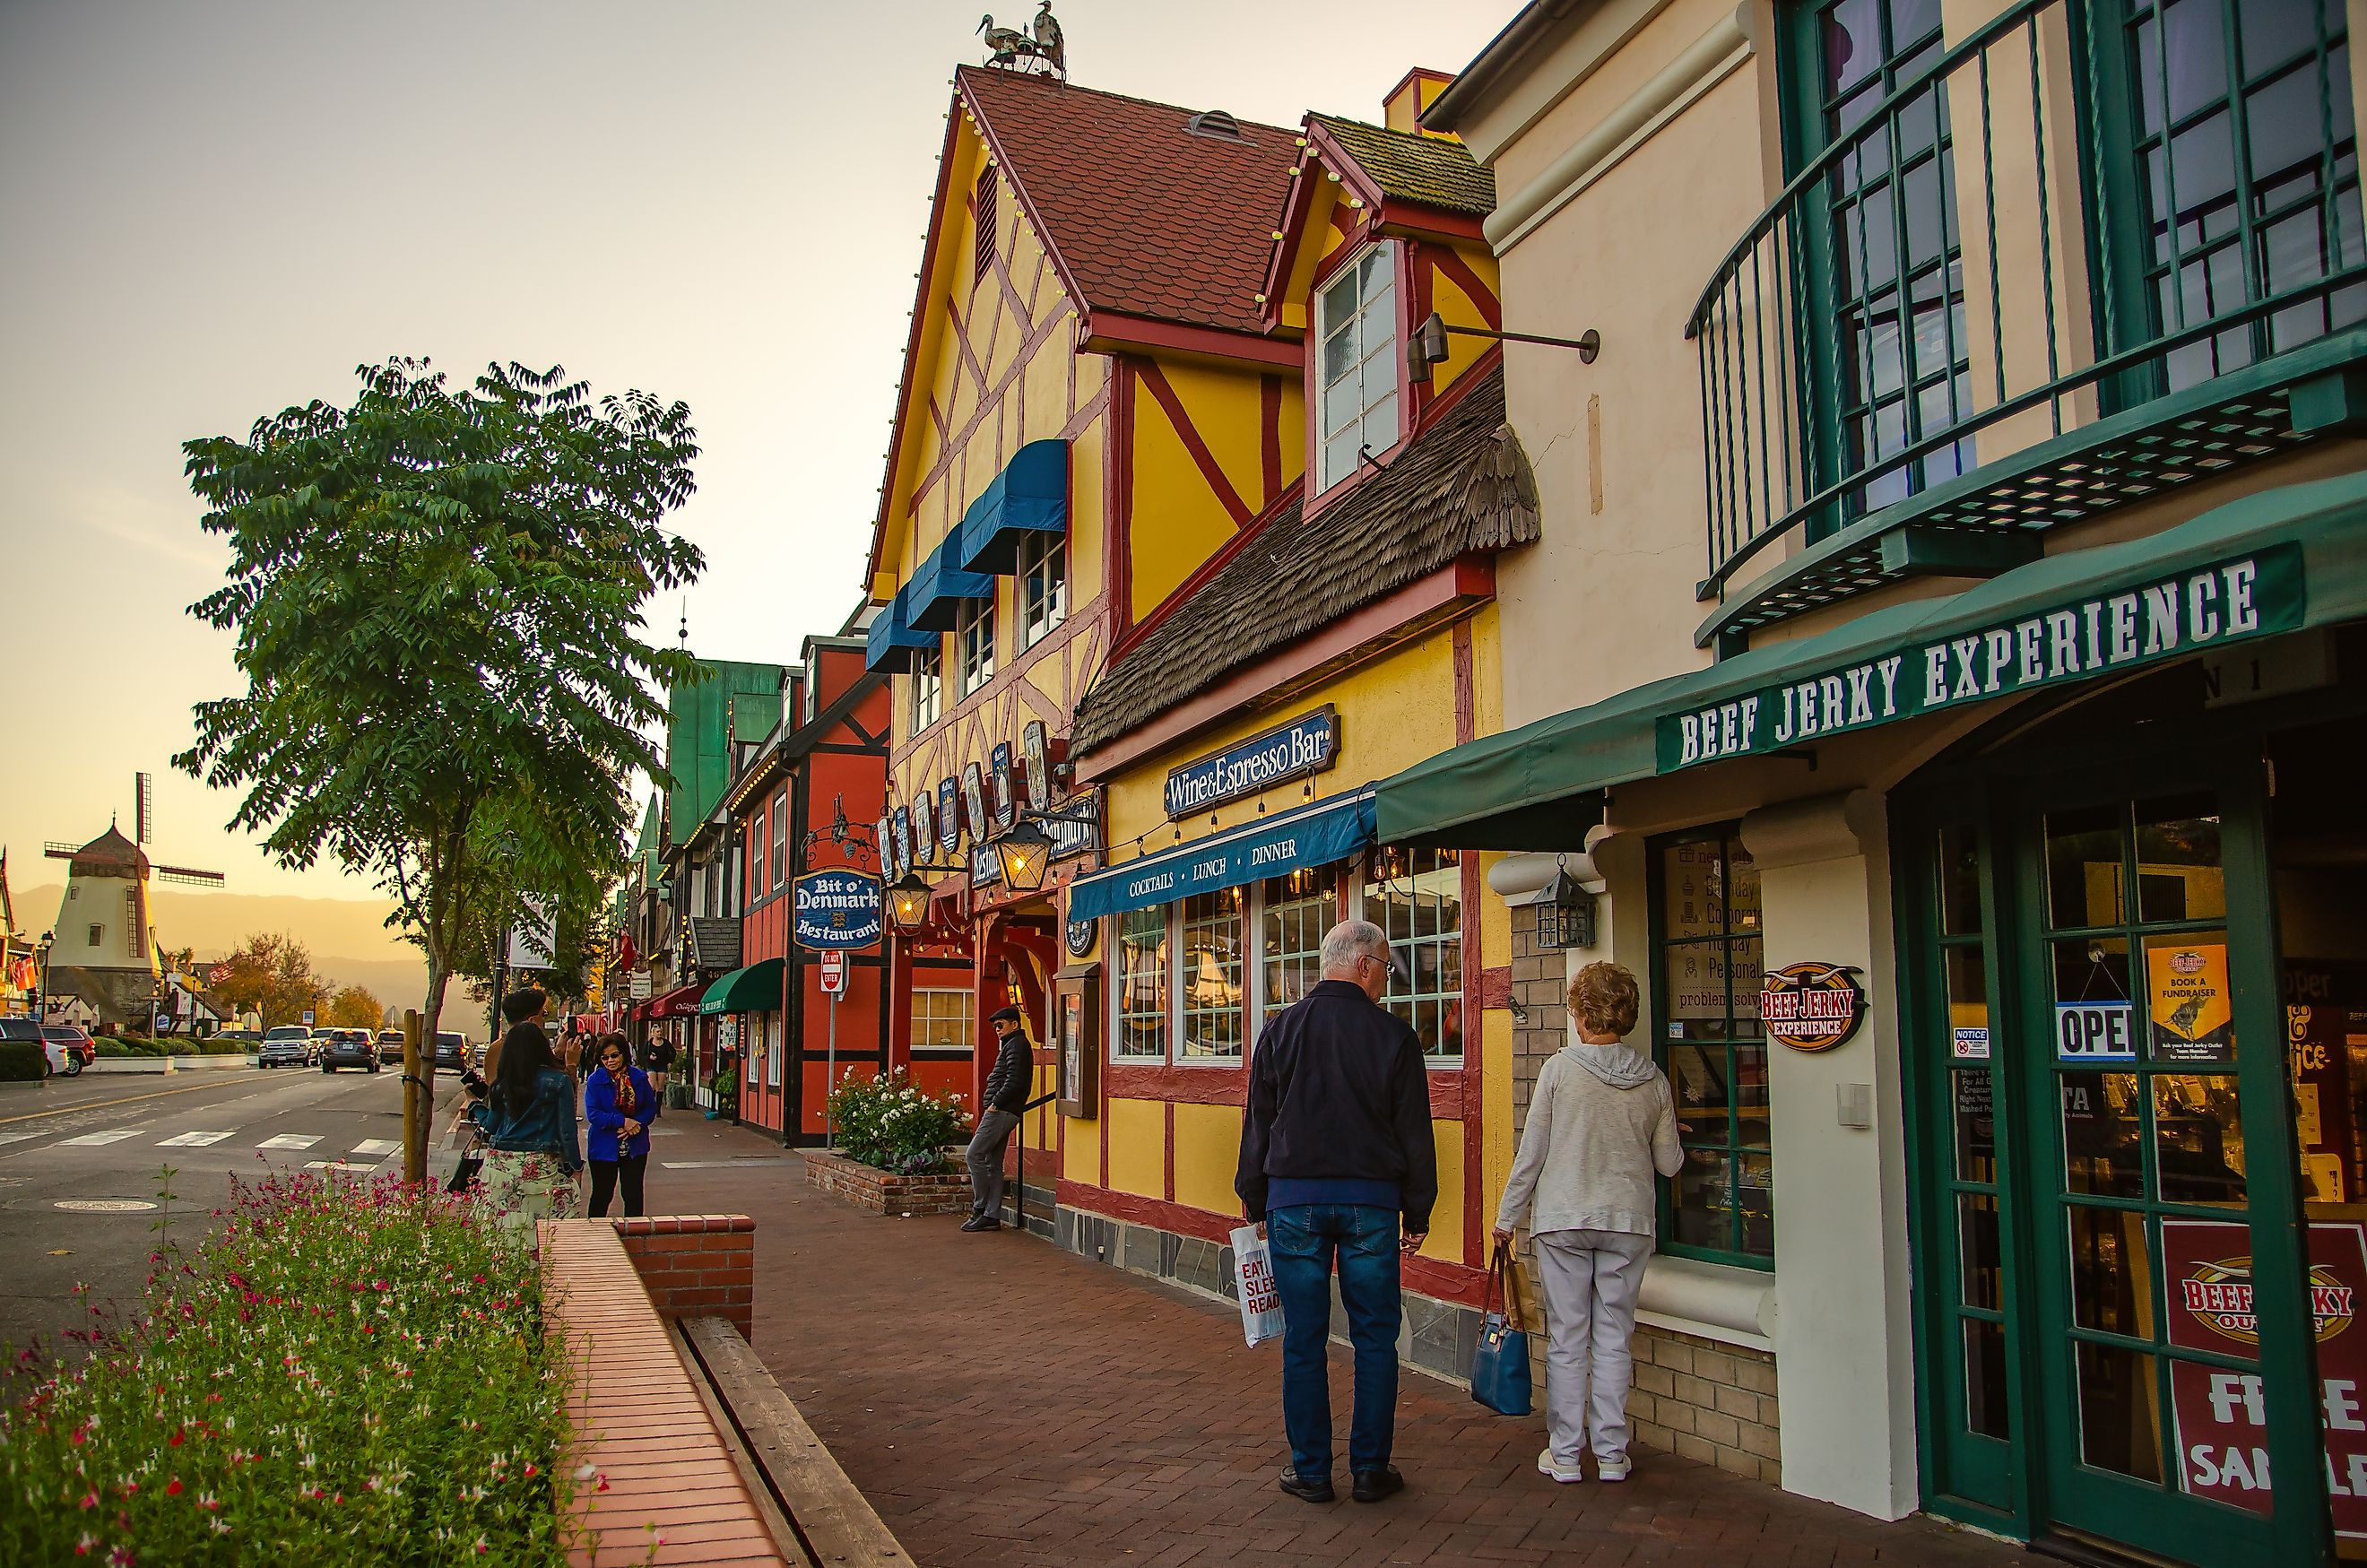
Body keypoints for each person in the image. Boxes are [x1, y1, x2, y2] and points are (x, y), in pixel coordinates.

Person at [1236, 920, 1435, 1506]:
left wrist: (1255, 1199)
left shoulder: (1280, 1031)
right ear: (1364, 964)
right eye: (1387, 968)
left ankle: (1312, 1470)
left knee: (1304, 1338)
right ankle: (1371, 1468)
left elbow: (1258, 1124)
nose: (1388, 981)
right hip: (1370, 1201)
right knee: (1376, 1335)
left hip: (1293, 1201)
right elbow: (1414, 1134)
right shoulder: (1395, 1038)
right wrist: (1417, 1210)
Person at [1491, 962, 1683, 1486]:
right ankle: (1614, 1454)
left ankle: (1567, 1454)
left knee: (1569, 1338)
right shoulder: (1654, 1081)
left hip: (1564, 1218)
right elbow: (1669, 1165)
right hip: (1628, 1219)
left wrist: (1507, 1218)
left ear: (1579, 1014)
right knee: (1616, 1337)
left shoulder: (1559, 1071)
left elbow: (1532, 1154)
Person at [478, 988, 585, 1234]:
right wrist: (576, 1166)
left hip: (500, 1165)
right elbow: (567, 1130)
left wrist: (474, 1104)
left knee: (505, 1231)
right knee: (546, 1232)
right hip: (540, 1165)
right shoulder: (557, 1081)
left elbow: (491, 1124)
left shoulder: (503, 1083)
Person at [960, 1005, 1033, 1232]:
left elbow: (1015, 1081)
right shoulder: (1012, 1045)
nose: (997, 1029)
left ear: (1014, 1024)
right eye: (995, 1027)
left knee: (973, 1155)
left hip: (1002, 1111)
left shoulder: (1017, 1045)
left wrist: (995, 1104)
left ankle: (980, 1207)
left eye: (1001, 1025)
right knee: (992, 1163)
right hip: (1003, 1110)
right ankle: (991, 1215)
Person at [584, 1034, 659, 1217]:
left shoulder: (639, 1078)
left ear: (624, 1054)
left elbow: (650, 1107)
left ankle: (635, 1238)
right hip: (603, 1147)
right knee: (602, 1195)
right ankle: (595, 1236)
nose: (610, 1061)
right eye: (605, 1057)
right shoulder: (595, 1080)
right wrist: (622, 1122)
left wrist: (636, 1124)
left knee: (632, 1195)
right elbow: (594, 1114)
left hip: (635, 1145)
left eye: (614, 1055)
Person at [642, 1031, 676, 1100]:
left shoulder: (666, 1043)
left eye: (660, 1031)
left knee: (660, 1087)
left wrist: (670, 1062)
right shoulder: (649, 1043)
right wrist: (649, 1057)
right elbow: (643, 1054)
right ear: (653, 1033)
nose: (659, 1033)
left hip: (662, 1065)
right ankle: (651, 1103)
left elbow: (673, 1052)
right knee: (652, 1085)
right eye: (657, 1032)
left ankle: (658, 1108)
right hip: (651, 1065)